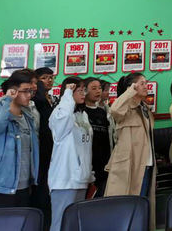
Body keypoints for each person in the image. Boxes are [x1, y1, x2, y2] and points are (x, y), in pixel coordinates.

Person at [105, 73, 156, 228]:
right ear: (131, 87)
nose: (146, 86)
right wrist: (130, 91)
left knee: (142, 205)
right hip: (129, 164)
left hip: (146, 163)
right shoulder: (125, 107)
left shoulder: (144, 108)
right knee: (127, 208)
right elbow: (114, 109)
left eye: (146, 83)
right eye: (141, 83)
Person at [48, 78, 93, 231]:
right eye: (79, 90)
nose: (83, 93)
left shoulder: (82, 115)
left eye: (84, 90)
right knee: (60, 225)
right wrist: (67, 93)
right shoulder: (59, 114)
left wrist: (88, 173)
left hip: (81, 179)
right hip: (64, 180)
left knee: (75, 225)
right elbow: (64, 118)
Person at [0, 73, 39, 208]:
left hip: (24, 184)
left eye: (30, 91)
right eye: (25, 91)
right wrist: (7, 99)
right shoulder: (0, 117)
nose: (29, 95)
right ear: (13, 92)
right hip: (2, 186)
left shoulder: (28, 117)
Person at [33, 67, 56, 229]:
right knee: (40, 191)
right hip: (40, 150)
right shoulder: (36, 101)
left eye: (51, 77)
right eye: (44, 78)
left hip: (53, 149)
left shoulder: (53, 100)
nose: (49, 80)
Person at [82, 77, 112, 197]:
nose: (98, 91)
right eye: (93, 88)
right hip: (87, 163)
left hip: (103, 163)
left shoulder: (102, 112)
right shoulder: (81, 111)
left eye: (99, 88)